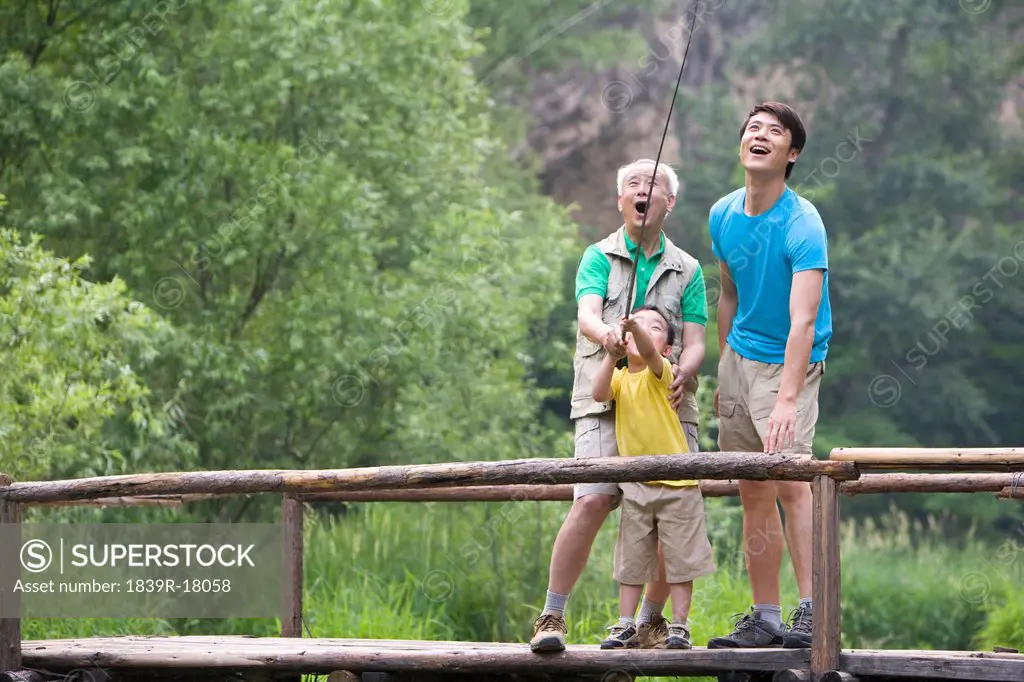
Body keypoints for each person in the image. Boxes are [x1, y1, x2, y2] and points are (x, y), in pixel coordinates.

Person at [529, 158, 708, 653]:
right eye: (633, 184)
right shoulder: (598, 256)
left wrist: (686, 373)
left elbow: (695, 341)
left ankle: (649, 622)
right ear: (620, 200)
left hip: (669, 407)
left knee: (671, 509)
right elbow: (586, 313)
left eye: (653, 185)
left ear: (669, 202)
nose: (642, 191)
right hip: (603, 403)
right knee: (592, 499)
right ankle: (552, 616)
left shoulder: (689, 268)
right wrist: (608, 335)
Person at [705, 101, 832, 650]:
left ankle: (812, 612)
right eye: (752, 128)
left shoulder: (803, 223)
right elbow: (728, 294)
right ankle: (765, 617)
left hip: (790, 363)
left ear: (791, 153)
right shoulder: (723, 214)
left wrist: (786, 399)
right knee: (751, 489)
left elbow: (804, 321)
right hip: (739, 361)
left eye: (774, 132)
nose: (759, 136)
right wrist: (721, 370)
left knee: (792, 484)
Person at [591, 306, 716, 650]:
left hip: (679, 484)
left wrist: (633, 327)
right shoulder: (621, 378)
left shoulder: (660, 373)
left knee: (680, 561)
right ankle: (626, 623)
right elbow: (598, 393)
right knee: (631, 560)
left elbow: (646, 351)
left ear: (667, 349)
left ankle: (679, 625)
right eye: (638, 324)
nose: (644, 330)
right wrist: (610, 354)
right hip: (637, 485)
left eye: (655, 327)